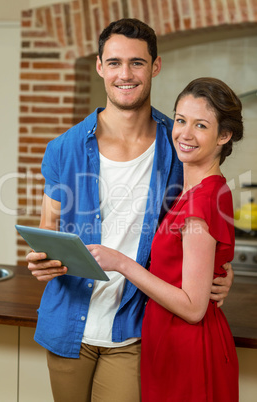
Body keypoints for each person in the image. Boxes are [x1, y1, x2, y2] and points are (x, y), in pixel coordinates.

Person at [26, 19, 234, 402]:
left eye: (137, 63)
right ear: (100, 66)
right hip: (67, 323)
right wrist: (43, 260)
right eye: (115, 62)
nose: (126, 74)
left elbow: (198, 220)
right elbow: (49, 227)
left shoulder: (179, 146)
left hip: (134, 327)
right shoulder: (63, 148)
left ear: (155, 66)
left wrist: (222, 268)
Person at [88, 77, 243, 401]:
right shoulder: (197, 189)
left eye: (200, 125)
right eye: (181, 119)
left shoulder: (201, 202)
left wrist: (121, 263)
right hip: (167, 342)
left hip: (189, 350)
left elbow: (192, 308)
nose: (184, 133)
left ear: (224, 136)